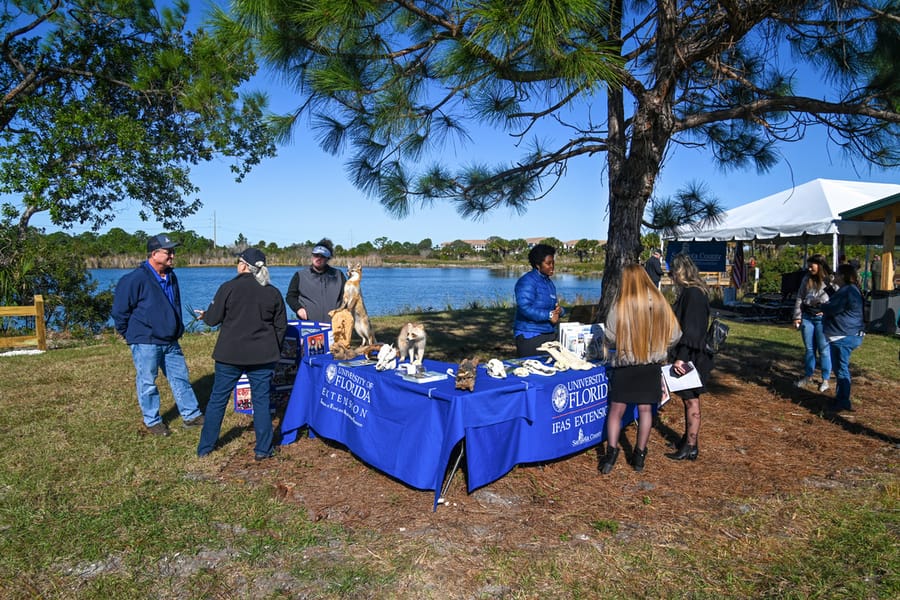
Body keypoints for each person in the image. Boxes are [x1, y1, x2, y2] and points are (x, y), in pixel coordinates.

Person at [196, 248, 287, 460]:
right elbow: (281, 326)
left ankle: (205, 448)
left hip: (230, 355)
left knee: (218, 399)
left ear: (244, 265)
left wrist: (205, 316)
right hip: (263, 356)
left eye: (238, 262)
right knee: (261, 401)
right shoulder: (272, 292)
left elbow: (213, 319)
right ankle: (263, 450)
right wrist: (274, 348)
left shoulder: (228, 288)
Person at [112, 234, 204, 436]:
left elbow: (175, 304)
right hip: (146, 341)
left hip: (170, 339)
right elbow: (120, 311)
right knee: (147, 381)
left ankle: (191, 415)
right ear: (154, 254)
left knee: (181, 377)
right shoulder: (135, 279)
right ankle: (152, 421)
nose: (172, 255)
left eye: (173, 251)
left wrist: (177, 327)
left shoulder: (171, 276)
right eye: (168, 251)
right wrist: (131, 335)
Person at [598, 264, 681, 474]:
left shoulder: (621, 305)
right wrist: (657, 344)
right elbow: (675, 335)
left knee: (616, 410)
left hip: (626, 365)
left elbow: (609, 336)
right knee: (646, 411)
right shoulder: (661, 302)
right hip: (651, 365)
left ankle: (611, 454)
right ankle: (640, 455)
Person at [665, 253, 713, 461]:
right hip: (694, 354)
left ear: (680, 271)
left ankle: (691, 446)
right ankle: (689, 438)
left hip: (692, 356)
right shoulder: (696, 291)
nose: (671, 276)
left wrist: (681, 358)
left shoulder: (692, 294)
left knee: (691, 400)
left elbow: (691, 331)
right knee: (689, 400)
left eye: (673, 272)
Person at [821, 264, 865, 412]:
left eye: (837, 275)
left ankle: (843, 401)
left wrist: (820, 306)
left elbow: (834, 307)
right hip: (846, 333)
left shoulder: (848, 291)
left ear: (843, 276)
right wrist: (828, 287)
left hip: (844, 334)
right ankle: (841, 398)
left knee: (841, 369)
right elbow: (838, 301)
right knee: (840, 368)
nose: (835, 277)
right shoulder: (850, 290)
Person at [792, 254, 834, 392]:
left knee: (824, 350)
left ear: (820, 265)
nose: (809, 268)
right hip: (808, 317)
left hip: (822, 318)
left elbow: (837, 298)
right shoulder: (806, 279)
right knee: (810, 349)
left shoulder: (829, 280)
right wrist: (797, 316)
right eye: (808, 266)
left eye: (812, 266)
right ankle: (808, 376)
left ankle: (825, 379)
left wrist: (828, 310)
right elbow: (800, 297)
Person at [513, 243, 564, 357]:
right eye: (548, 263)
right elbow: (525, 308)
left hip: (549, 333)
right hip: (530, 336)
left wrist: (559, 311)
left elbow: (552, 306)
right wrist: (550, 315)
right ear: (537, 265)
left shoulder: (549, 283)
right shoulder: (526, 281)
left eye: (553, 262)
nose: (552, 266)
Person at [286, 238, 346, 323]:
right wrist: (298, 309)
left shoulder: (338, 275)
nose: (318, 258)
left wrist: (343, 313)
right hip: (309, 326)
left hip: (335, 325)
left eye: (322, 256)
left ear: (328, 258)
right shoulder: (300, 275)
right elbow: (290, 297)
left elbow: (346, 297)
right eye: (316, 255)